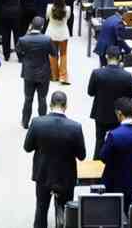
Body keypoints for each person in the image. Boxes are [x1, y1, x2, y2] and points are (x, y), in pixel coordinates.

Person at [23, 91, 86, 228]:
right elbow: (81, 156)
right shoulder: (75, 127)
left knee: (41, 208)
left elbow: (27, 147)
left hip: (43, 174)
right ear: (66, 106)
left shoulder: (37, 122)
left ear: (50, 104)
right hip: (66, 177)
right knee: (65, 210)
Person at [99, 97, 132, 215]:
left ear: (119, 113)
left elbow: (103, 158)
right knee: (127, 209)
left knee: (112, 214)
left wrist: (105, 140)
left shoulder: (113, 135)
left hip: (113, 182)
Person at [89, 47, 132, 159]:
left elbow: (90, 92)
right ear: (120, 58)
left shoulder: (97, 73)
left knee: (99, 140)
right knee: (118, 140)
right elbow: (130, 96)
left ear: (106, 57)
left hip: (101, 112)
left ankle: (96, 165)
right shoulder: (127, 75)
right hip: (119, 115)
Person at [17, 17, 58, 129]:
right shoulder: (47, 39)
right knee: (42, 98)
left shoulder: (23, 39)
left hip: (28, 73)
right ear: (42, 26)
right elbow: (54, 54)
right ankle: (42, 123)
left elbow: (19, 54)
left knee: (28, 98)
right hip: (43, 73)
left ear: (31, 25)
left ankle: (25, 122)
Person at [45, 0, 71, 85]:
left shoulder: (49, 7)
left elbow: (47, 18)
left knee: (53, 55)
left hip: (51, 33)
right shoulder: (67, 9)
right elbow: (67, 18)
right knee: (63, 55)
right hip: (63, 34)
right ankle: (63, 76)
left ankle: (54, 75)